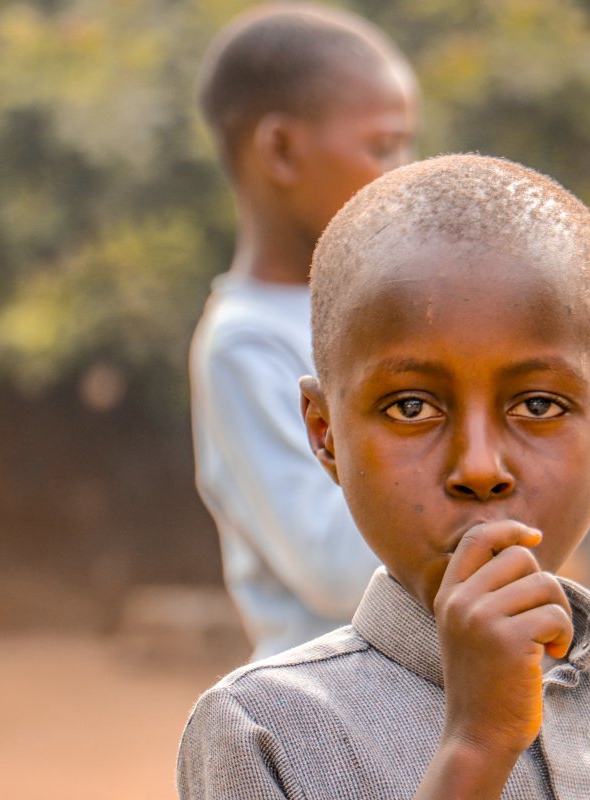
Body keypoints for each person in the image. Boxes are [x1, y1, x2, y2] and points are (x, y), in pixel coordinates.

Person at [176, 154, 590, 799]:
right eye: (411, 408)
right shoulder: (266, 730)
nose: (480, 468)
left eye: (539, 405)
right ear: (325, 433)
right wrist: (477, 744)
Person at [190, 3, 419, 658]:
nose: (406, 172)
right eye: (383, 147)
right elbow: (335, 570)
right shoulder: (245, 343)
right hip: (329, 703)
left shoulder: (388, 306)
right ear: (281, 151)